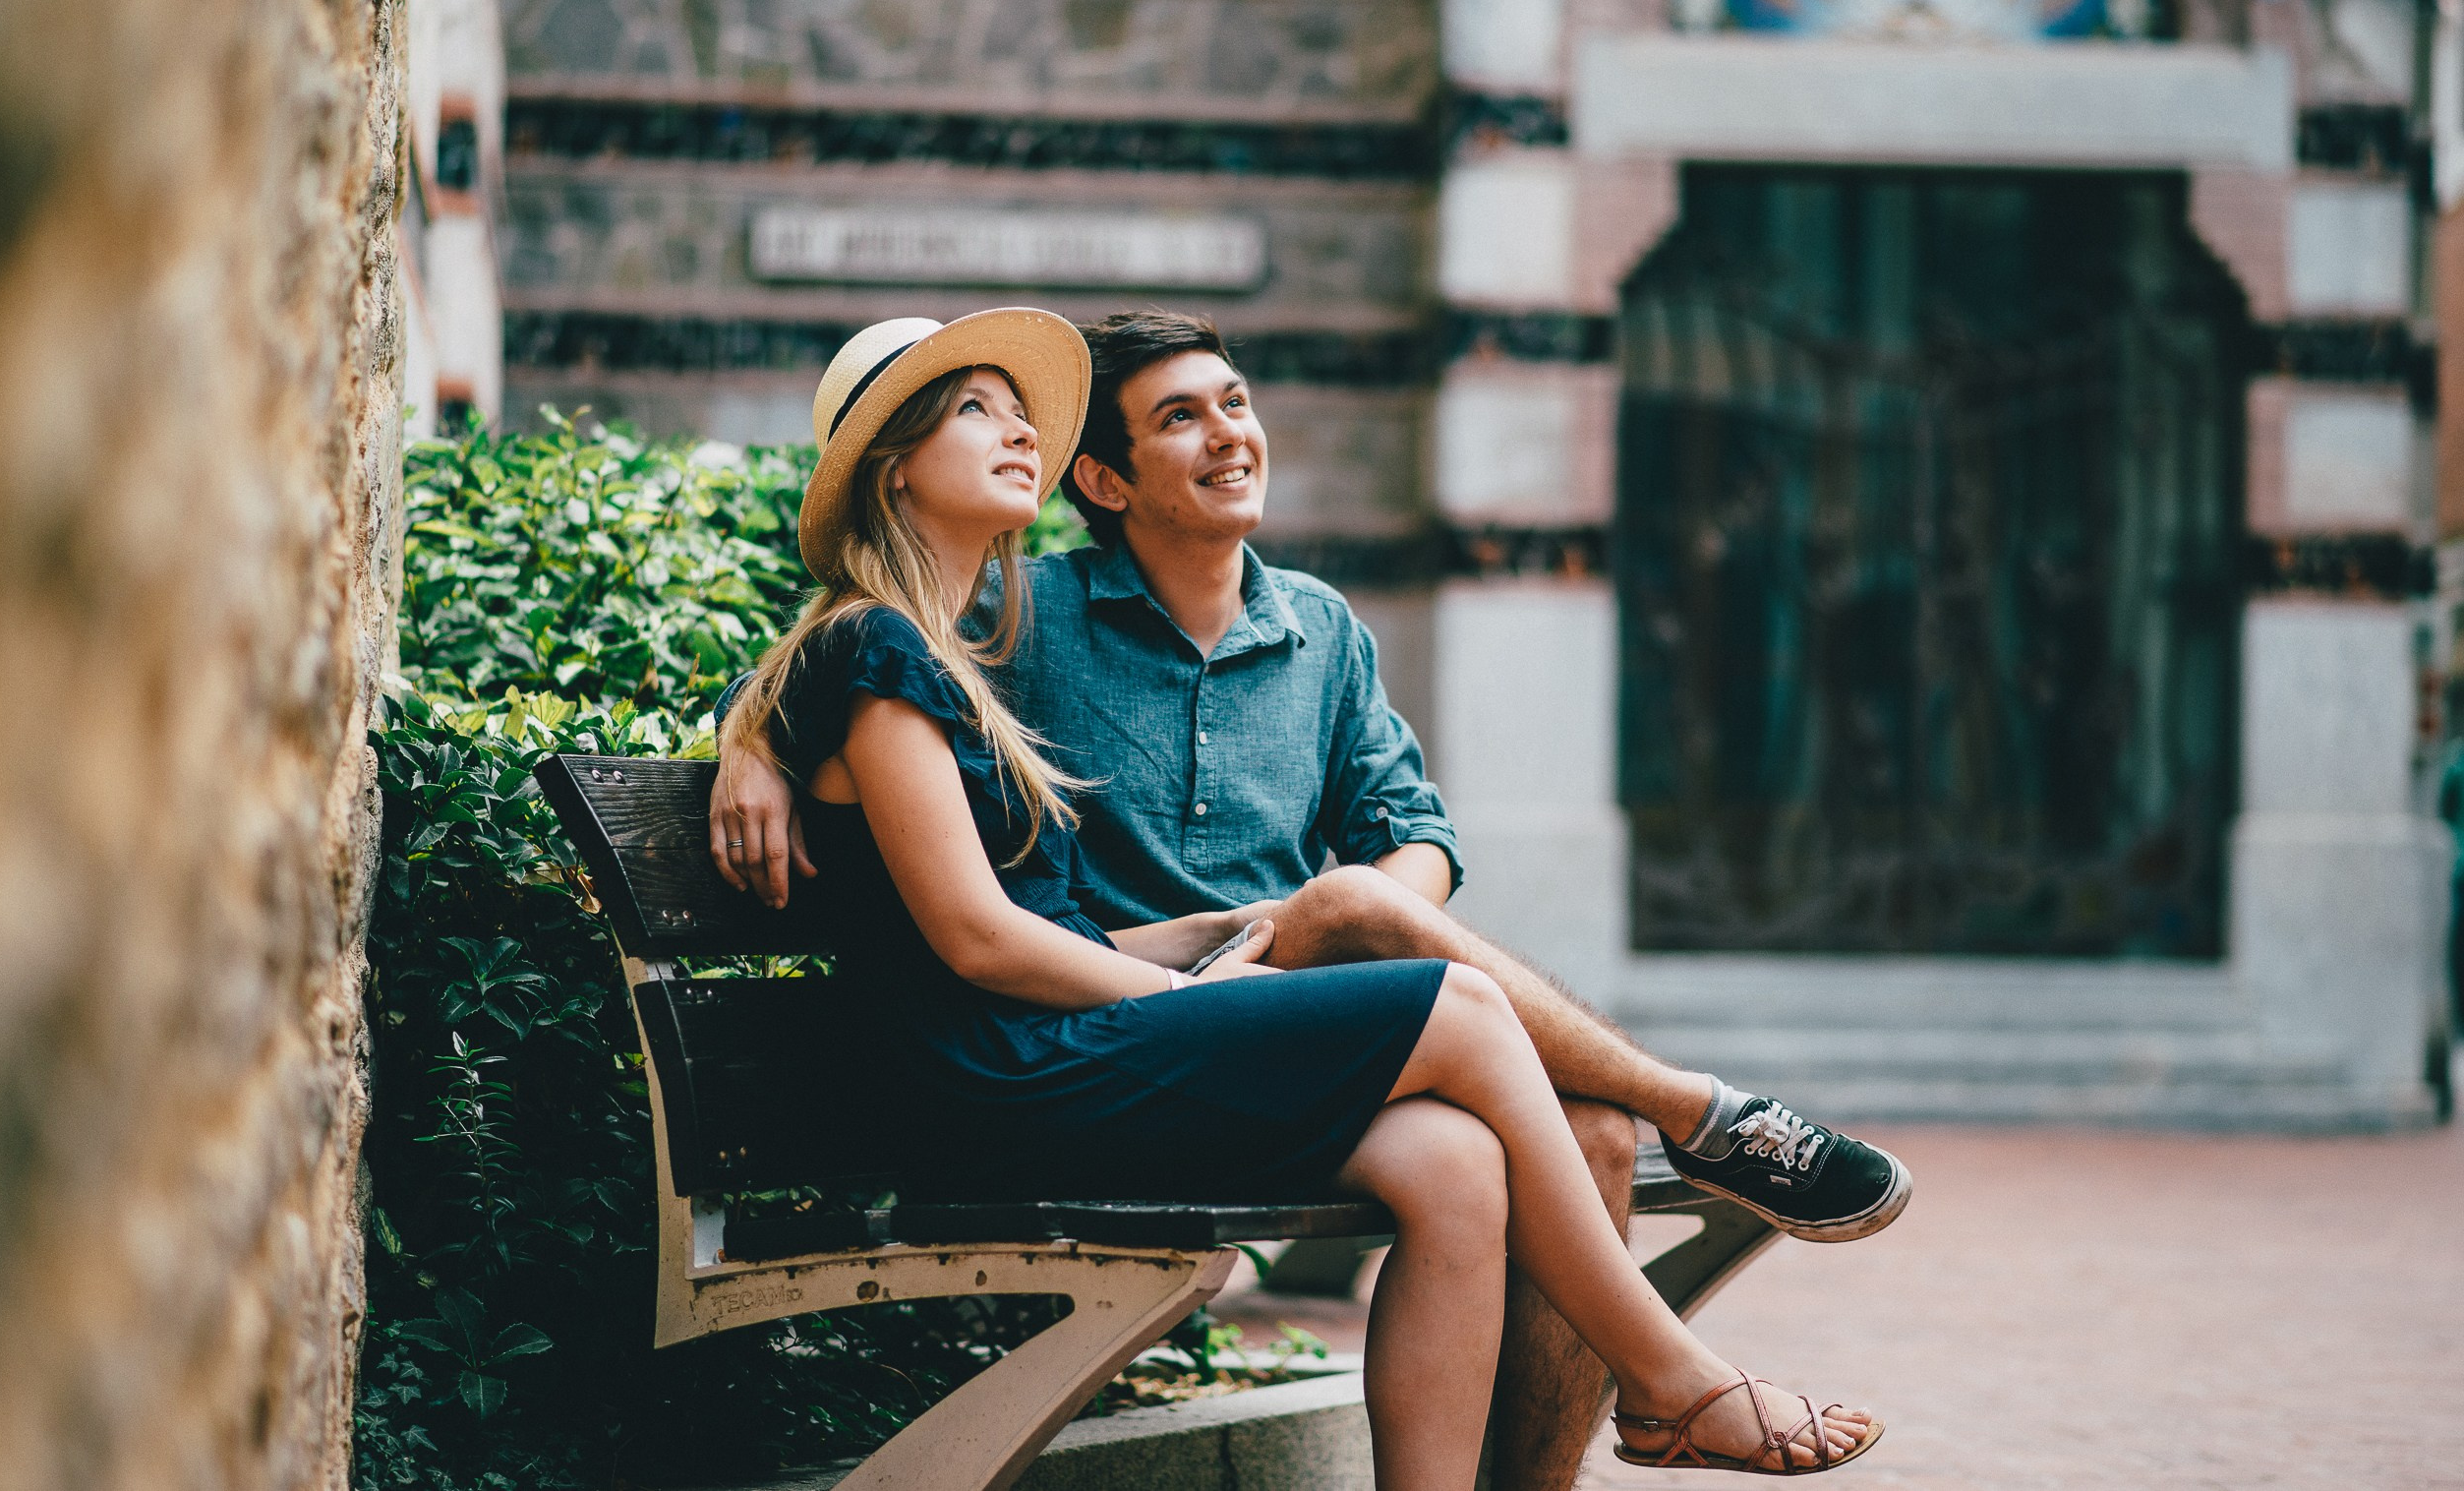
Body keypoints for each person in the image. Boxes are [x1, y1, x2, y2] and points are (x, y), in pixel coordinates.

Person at [715, 310, 1909, 1488]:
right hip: (1023, 1068)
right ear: (896, 469)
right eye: (974, 411)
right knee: (1459, 1004)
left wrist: (1211, 961)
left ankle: (1641, 1343)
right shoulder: (932, 642)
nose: (1015, 428)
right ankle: (1670, 1370)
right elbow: (973, 929)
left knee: (1452, 1161)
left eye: (1017, 408)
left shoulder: (950, 647)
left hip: (1100, 1032)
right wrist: (748, 740)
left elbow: (1389, 836)